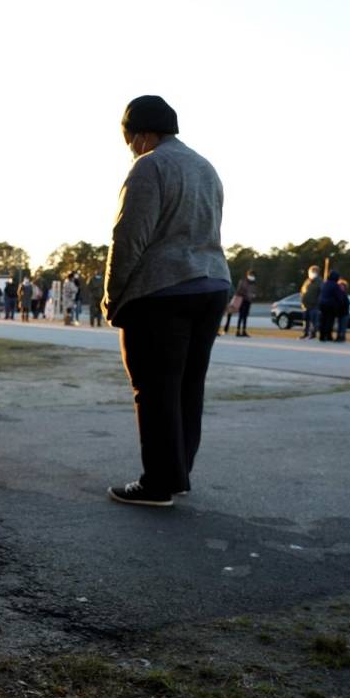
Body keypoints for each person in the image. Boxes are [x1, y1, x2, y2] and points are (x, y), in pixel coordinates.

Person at [102, 95, 230, 507]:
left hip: (164, 290)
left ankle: (157, 483)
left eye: (129, 140)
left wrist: (113, 295)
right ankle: (177, 474)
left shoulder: (150, 165)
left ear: (140, 135)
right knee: (188, 386)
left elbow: (129, 236)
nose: (130, 149)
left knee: (154, 388)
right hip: (211, 284)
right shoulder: (205, 167)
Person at [318, 272, 346, 342]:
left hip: (322, 304)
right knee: (329, 321)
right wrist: (341, 302)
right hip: (331, 305)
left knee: (323, 320)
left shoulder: (324, 284)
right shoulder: (335, 285)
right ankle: (328, 336)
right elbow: (339, 296)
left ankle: (322, 336)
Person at [300, 266, 323, 339]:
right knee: (305, 320)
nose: (312, 273)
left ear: (317, 272)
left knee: (313, 321)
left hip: (314, 305)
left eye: (314, 271)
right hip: (305, 305)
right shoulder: (307, 281)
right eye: (311, 271)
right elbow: (302, 291)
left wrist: (318, 302)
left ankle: (313, 334)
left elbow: (321, 293)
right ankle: (305, 333)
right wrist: (302, 300)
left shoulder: (320, 282)